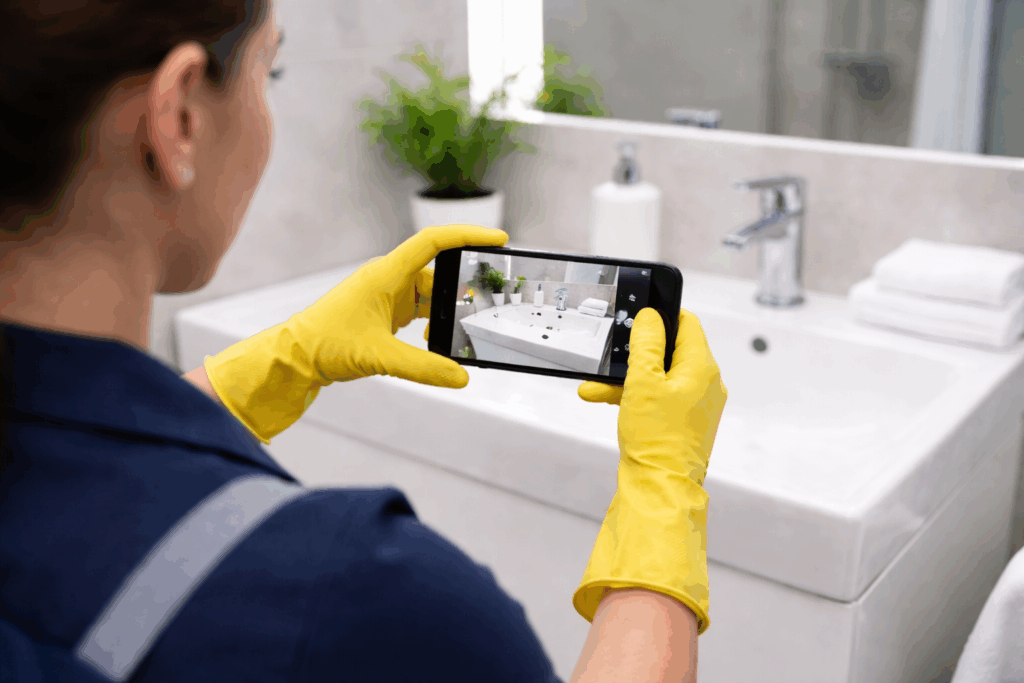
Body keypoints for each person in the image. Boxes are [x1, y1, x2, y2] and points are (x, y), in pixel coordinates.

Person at [0, 1, 728, 681]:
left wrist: (287, 359)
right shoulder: (363, 599)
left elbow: (85, 465)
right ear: (179, 115)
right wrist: (664, 493)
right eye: (269, 70)